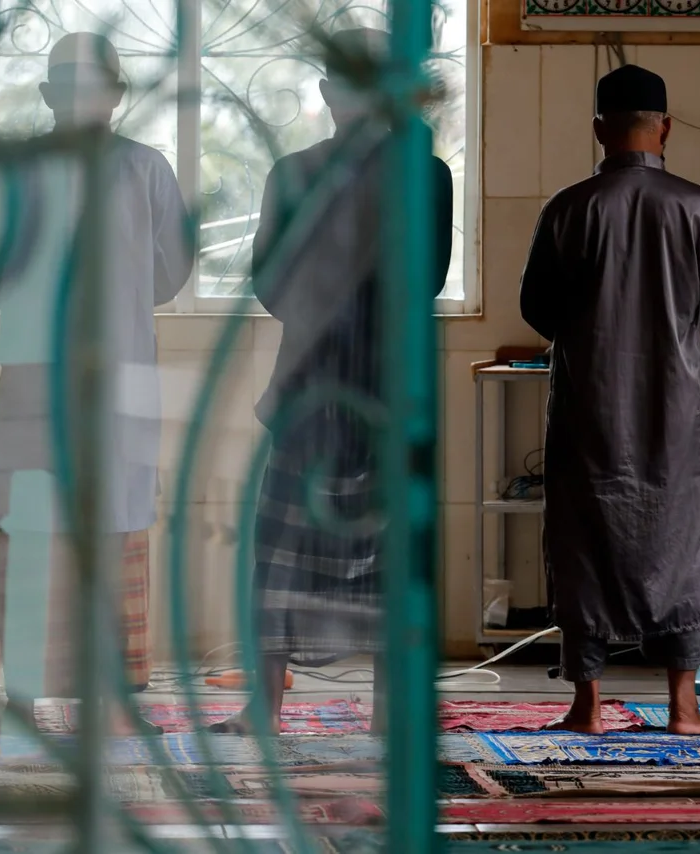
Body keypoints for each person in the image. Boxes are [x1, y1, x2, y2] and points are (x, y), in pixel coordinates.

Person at [208, 27, 453, 735]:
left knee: (281, 555)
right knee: (390, 555)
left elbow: (268, 281)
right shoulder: (425, 173)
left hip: (308, 389)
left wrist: (323, 310)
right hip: (389, 390)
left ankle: (266, 708)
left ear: (326, 93)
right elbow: (429, 279)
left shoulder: (296, 171)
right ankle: (387, 714)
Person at [0, 32, 191, 735]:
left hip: (66, 377)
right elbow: (168, 275)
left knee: (87, 530)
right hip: (91, 374)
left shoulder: (23, 170)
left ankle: (49, 703)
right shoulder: (140, 168)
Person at [519, 64, 700, 735]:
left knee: (584, 542)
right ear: (665, 128)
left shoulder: (567, 208)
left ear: (598, 129)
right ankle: (684, 708)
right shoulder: (699, 206)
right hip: (673, 410)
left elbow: (536, 307)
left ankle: (587, 707)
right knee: (680, 544)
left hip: (591, 410)